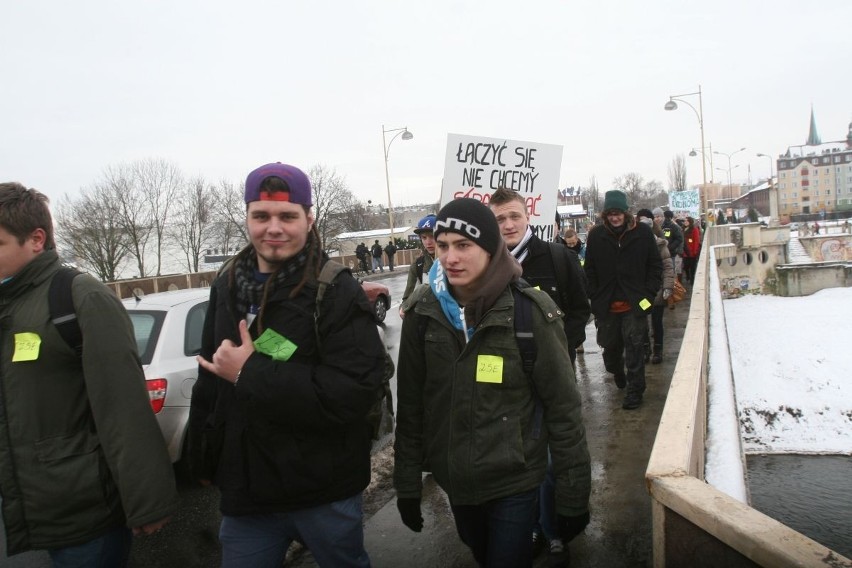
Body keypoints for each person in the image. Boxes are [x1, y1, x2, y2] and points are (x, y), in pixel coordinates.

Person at [188, 163, 386, 568]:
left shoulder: (335, 290)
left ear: (309, 219)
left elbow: (350, 393)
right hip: (248, 493)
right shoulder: (226, 285)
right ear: (246, 218)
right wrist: (202, 457)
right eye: (260, 216)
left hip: (322, 490)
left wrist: (249, 372)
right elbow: (209, 382)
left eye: (287, 216)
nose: (272, 228)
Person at [394, 198, 591, 568]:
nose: (450, 257)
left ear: (489, 248)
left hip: (514, 480)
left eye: (464, 245)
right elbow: (412, 406)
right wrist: (407, 483)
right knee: (481, 551)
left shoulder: (529, 311)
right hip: (456, 479)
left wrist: (573, 495)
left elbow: (564, 410)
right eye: (445, 244)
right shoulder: (423, 312)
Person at [0, 182, 177, 565]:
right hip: (37, 501)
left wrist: (147, 502)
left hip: (86, 511)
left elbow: (122, 407)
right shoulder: (8, 306)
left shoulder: (79, 297)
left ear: (35, 239)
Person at [488, 187, 590, 366]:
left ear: (527, 217)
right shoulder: (484, 265)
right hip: (503, 371)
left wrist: (560, 349)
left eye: (515, 216)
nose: (509, 225)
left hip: (553, 367)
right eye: (500, 219)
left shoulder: (561, 257)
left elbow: (580, 311)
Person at [584, 190, 662, 410]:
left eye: (618, 213)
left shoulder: (643, 234)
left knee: (635, 347)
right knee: (610, 349)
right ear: (605, 215)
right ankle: (617, 371)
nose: (614, 218)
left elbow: (655, 267)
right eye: (610, 214)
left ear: (626, 213)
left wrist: (648, 294)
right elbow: (589, 269)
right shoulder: (596, 235)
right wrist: (594, 293)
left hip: (635, 303)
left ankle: (635, 391)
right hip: (607, 305)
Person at [636, 209, 675, 365]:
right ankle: (646, 349)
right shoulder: (635, 246)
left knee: (657, 321)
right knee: (642, 320)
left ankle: (657, 350)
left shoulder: (660, 245)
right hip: (642, 292)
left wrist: (667, 287)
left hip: (657, 291)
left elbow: (667, 267)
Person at [399, 213, 436, 317]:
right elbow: (407, 298)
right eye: (424, 237)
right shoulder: (417, 265)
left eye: (432, 236)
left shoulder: (453, 262)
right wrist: (402, 308)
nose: (428, 242)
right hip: (427, 325)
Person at [681, 216, 702, 284]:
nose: (685, 222)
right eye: (684, 221)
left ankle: (692, 281)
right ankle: (688, 276)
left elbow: (696, 241)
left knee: (692, 268)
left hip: (692, 253)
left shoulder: (694, 229)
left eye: (687, 221)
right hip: (685, 253)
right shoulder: (683, 229)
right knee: (686, 267)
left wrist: (695, 251)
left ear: (690, 222)